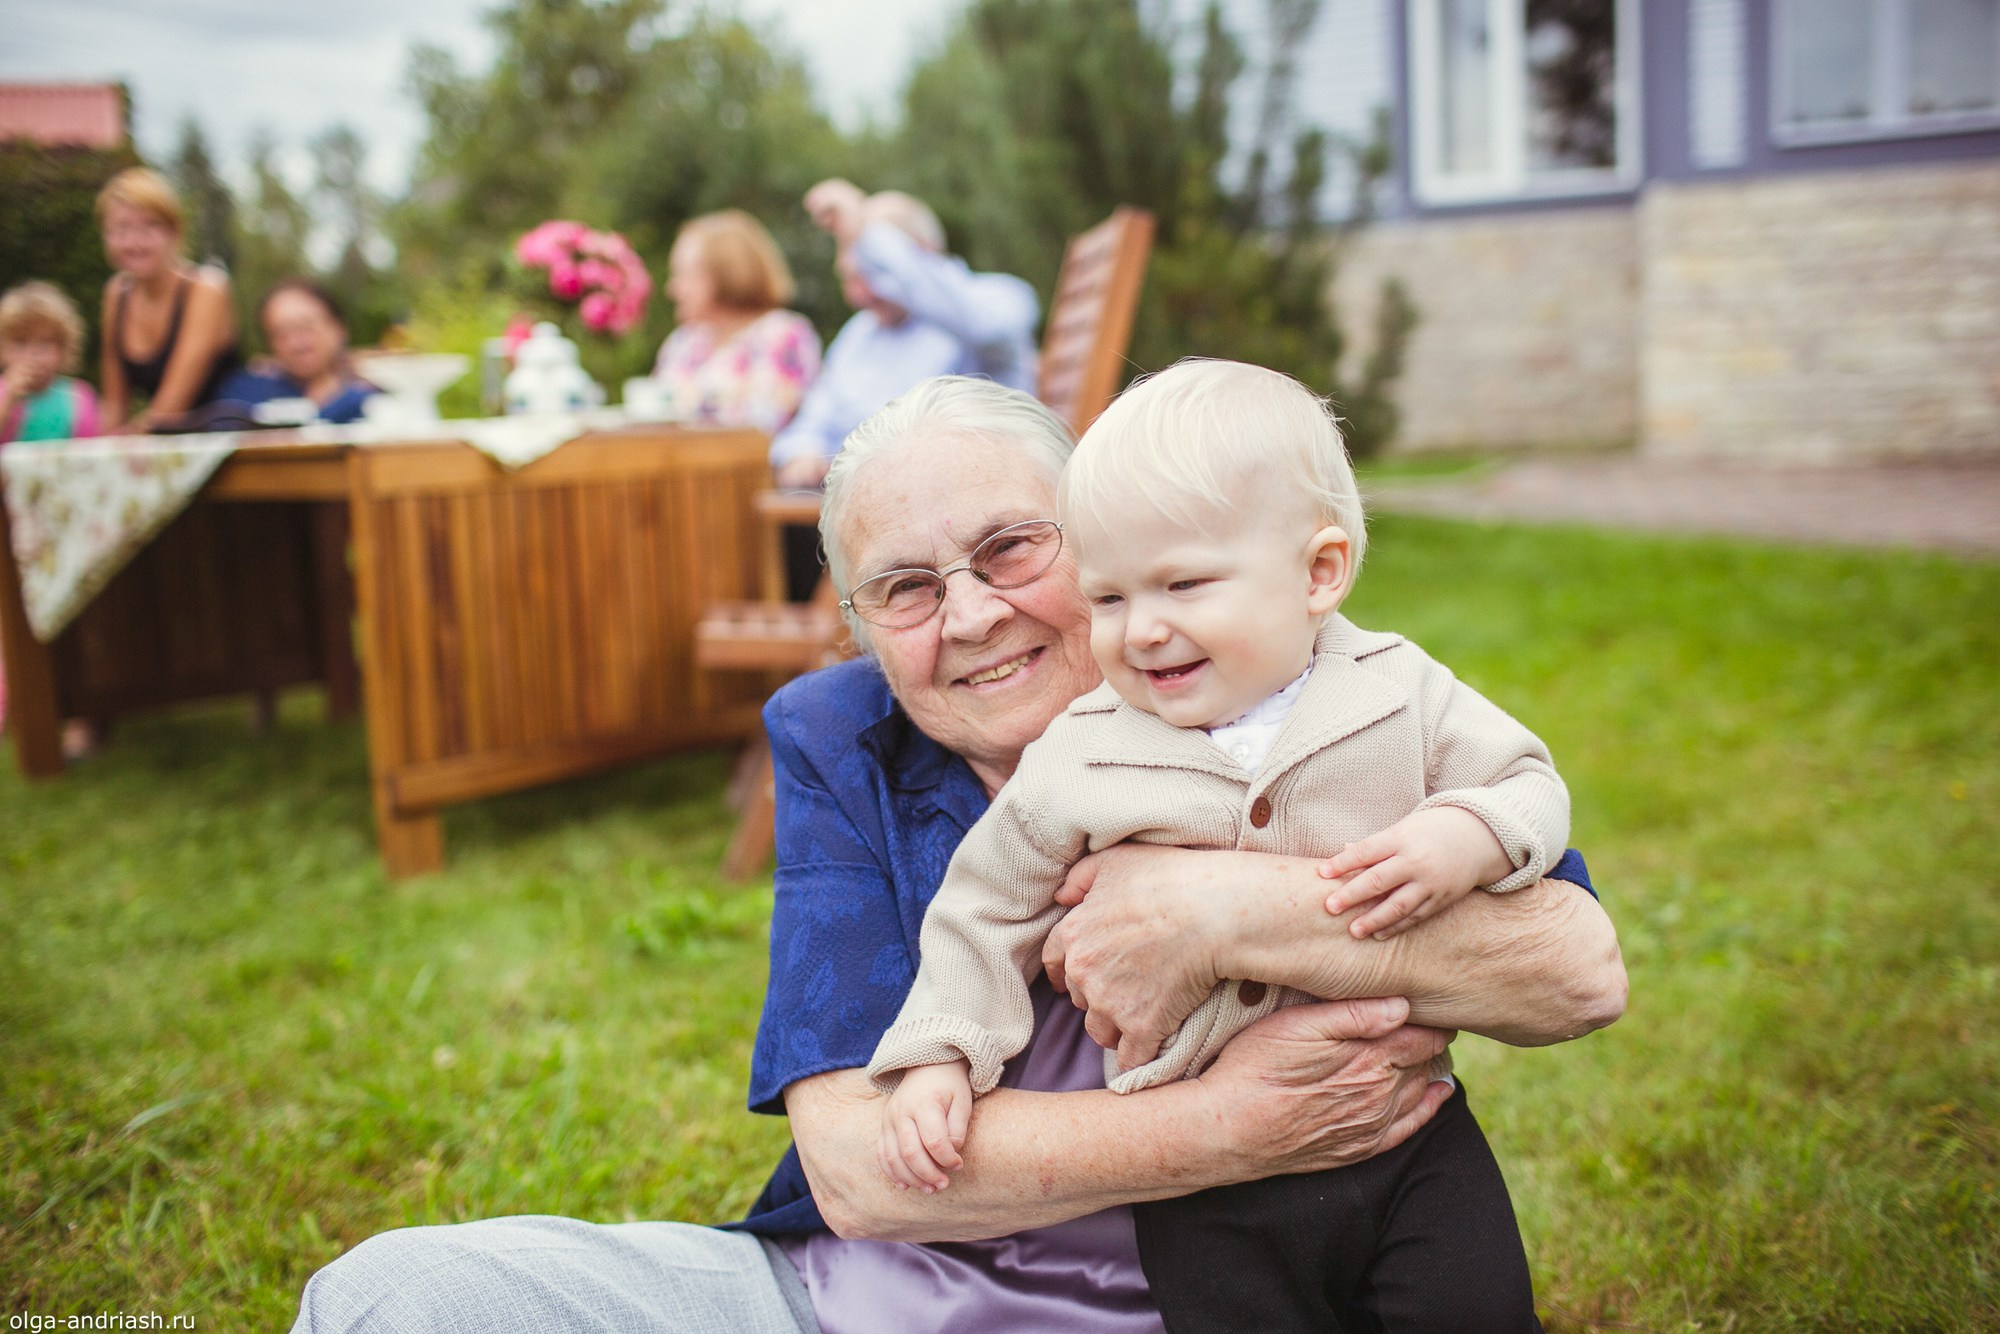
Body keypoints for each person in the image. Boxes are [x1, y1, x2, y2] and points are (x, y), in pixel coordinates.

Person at [289, 377, 1626, 1334]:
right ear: (864, 627)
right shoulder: (844, 735)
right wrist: (1235, 1123)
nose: (973, 615)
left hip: (1218, 1296)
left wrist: (1217, 907)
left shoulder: (1301, 694)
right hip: (845, 1307)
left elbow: (1570, 970)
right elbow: (861, 1168)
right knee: (389, 1298)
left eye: (1012, 548)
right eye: (907, 589)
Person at [869, 360, 1570, 1329]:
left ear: (1319, 573)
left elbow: (1529, 783)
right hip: (1205, 1188)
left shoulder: (1395, 689)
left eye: (1184, 584)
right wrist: (942, 1052)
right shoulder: (1081, 750)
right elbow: (983, 907)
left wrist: (1466, 834)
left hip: (1403, 1124)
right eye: (1108, 598)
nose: (1142, 631)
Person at [766, 180, 1039, 491]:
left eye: (870, 275)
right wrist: (802, 453)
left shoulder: (997, 300)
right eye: (849, 280)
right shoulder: (859, 333)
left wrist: (863, 230)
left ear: (924, 252)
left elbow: (980, 326)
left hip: (971, 491)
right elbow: (813, 420)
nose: (857, 297)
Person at [647, 209, 822, 433]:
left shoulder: (784, 336)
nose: (673, 289)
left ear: (725, 272)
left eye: (684, 274)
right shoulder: (682, 342)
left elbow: (775, 421)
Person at [95, 167, 241, 431]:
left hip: (225, 441)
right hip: (161, 444)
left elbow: (170, 409)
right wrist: (100, 443)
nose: (134, 242)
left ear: (174, 232)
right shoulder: (116, 293)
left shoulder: (207, 289)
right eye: (121, 229)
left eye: (150, 226)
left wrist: (123, 440)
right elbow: (115, 405)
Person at [216, 278, 379, 425]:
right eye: (281, 333)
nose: (296, 343)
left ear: (339, 328)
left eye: (306, 326)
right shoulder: (244, 396)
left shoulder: (375, 396)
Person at [0, 281, 100, 444]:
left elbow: (88, 449)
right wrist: (10, 397)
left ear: (63, 349)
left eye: (44, 344)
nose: (32, 354)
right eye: (20, 343)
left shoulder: (78, 397)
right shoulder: (3, 393)